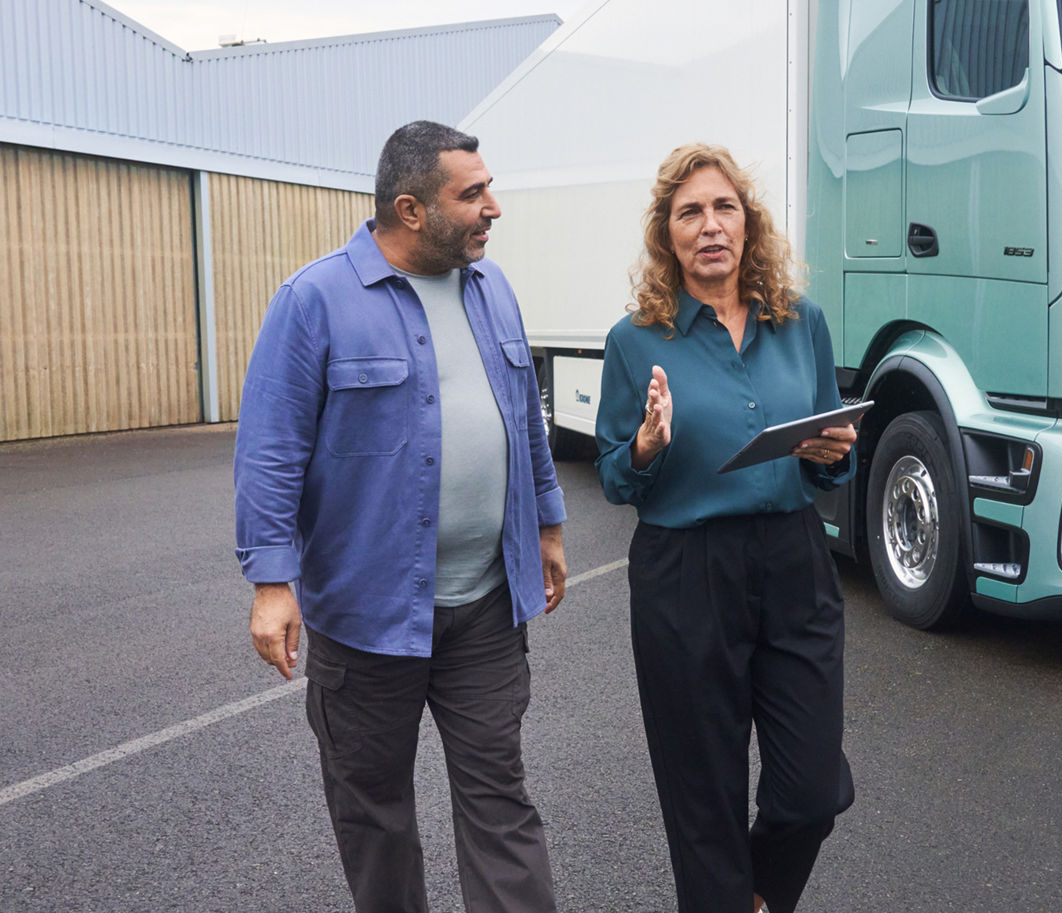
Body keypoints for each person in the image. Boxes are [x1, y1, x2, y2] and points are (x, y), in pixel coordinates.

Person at [234, 120, 568, 913]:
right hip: (367, 618)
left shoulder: (493, 289)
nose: (494, 207)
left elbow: (525, 418)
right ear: (412, 209)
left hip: (485, 606)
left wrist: (548, 525)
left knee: (501, 801)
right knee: (376, 816)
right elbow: (271, 447)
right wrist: (272, 582)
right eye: (474, 193)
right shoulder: (314, 299)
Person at [596, 143, 858, 913]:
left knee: (811, 787)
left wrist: (833, 453)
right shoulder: (635, 339)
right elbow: (615, 474)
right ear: (666, 235)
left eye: (724, 208)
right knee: (702, 794)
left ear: (749, 224)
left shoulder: (799, 323)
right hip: (685, 570)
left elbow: (826, 458)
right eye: (690, 212)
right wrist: (645, 445)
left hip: (792, 560)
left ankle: (756, 893)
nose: (710, 225)